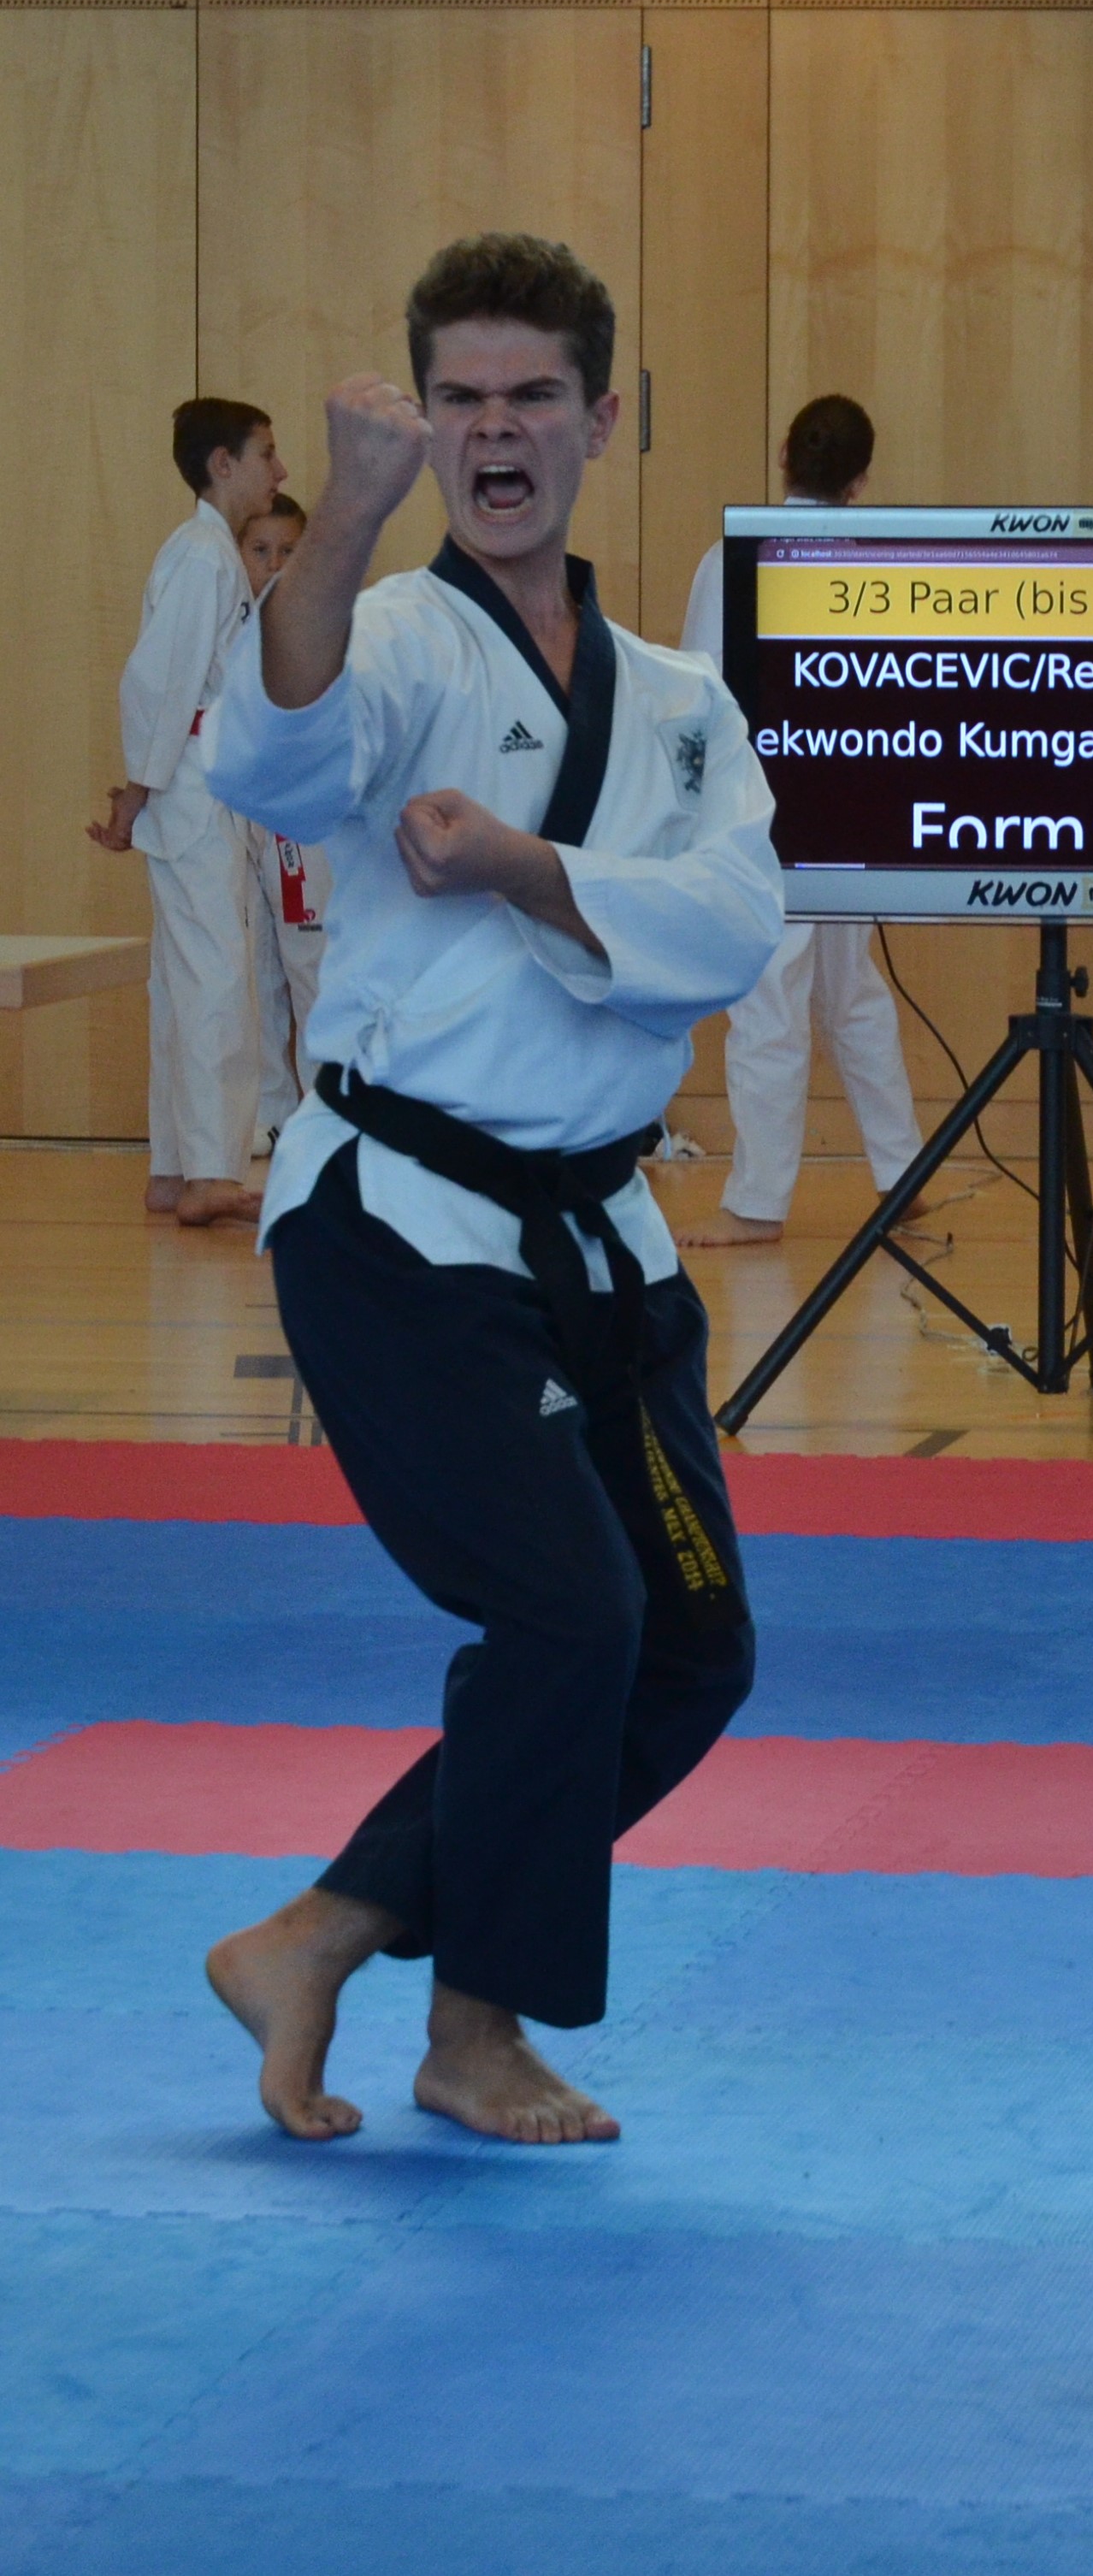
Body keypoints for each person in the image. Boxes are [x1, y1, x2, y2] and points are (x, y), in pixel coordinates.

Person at [200, 233, 784, 2145]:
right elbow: (275, 764)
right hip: (402, 1226)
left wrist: (528, 868)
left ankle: (323, 1932)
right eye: (460, 398)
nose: (497, 430)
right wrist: (343, 519)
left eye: (534, 394)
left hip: (599, 1238)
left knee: (689, 1646)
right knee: (569, 1613)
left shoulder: (681, 698)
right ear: (426, 424)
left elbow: (733, 925)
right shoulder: (387, 633)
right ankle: (474, 2027)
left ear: (602, 419)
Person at [675, 394, 925, 1248]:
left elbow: (701, 695)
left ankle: (757, 1202)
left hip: (763, 817)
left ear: (785, 456)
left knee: (770, 1001)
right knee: (850, 994)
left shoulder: (732, 556)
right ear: (860, 479)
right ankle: (903, 1173)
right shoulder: (877, 567)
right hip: (847, 814)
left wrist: (691, 818)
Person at [90, 398, 287, 1226]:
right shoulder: (205, 555)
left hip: (196, 779)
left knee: (183, 979)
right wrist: (138, 788)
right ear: (223, 464)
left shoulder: (205, 553)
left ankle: (175, 1166)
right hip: (191, 783)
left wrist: (144, 787)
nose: (280, 470)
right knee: (214, 975)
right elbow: (159, 681)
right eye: (266, 453)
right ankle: (208, 1169)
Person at [236, 493, 332, 1148]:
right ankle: (268, 1109)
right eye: (260, 550)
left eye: (289, 552)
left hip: (299, 821)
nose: (274, 565)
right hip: (236, 816)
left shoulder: (324, 629)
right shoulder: (227, 624)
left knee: (310, 960)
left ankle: (328, 1111)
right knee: (252, 967)